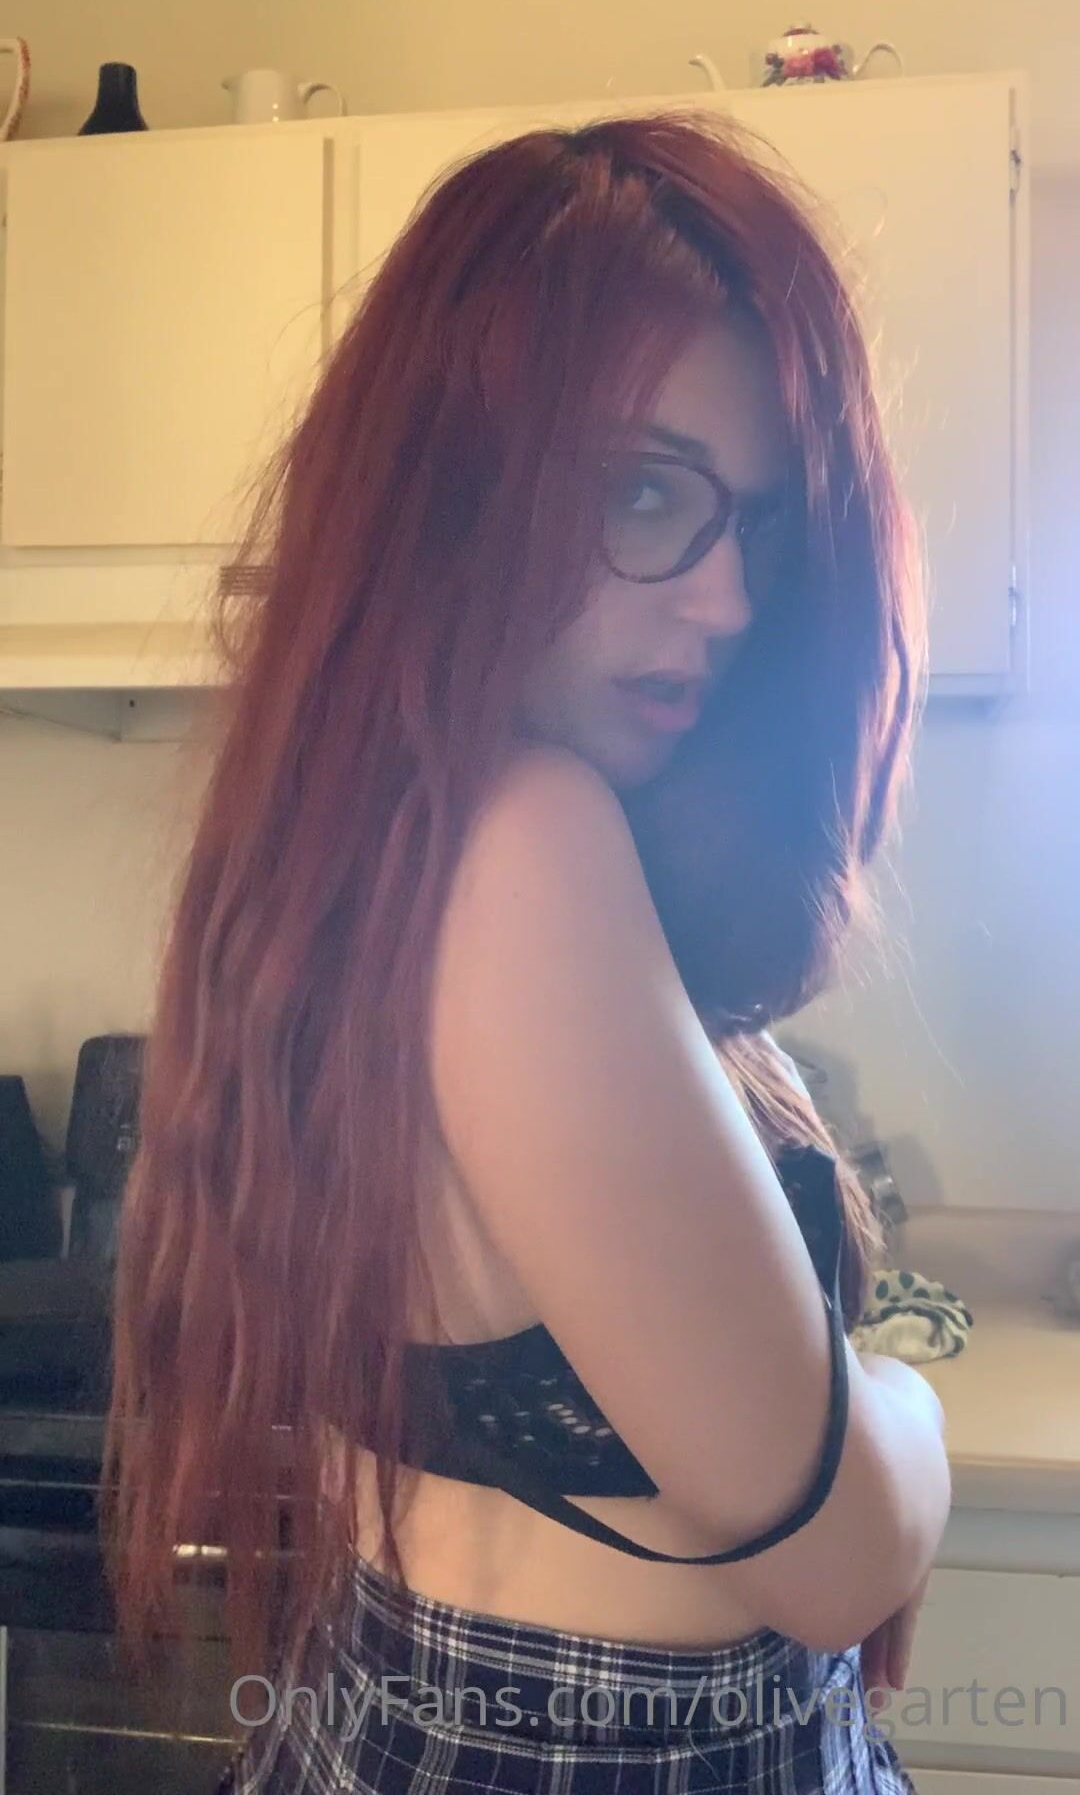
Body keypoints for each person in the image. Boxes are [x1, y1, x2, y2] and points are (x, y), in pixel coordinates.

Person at [102, 107, 951, 1794]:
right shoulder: (524, 844)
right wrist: (901, 1409)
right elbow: (840, 1559)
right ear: (453, 491)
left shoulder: (380, 843)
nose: (726, 600)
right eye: (643, 490)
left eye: (760, 524)